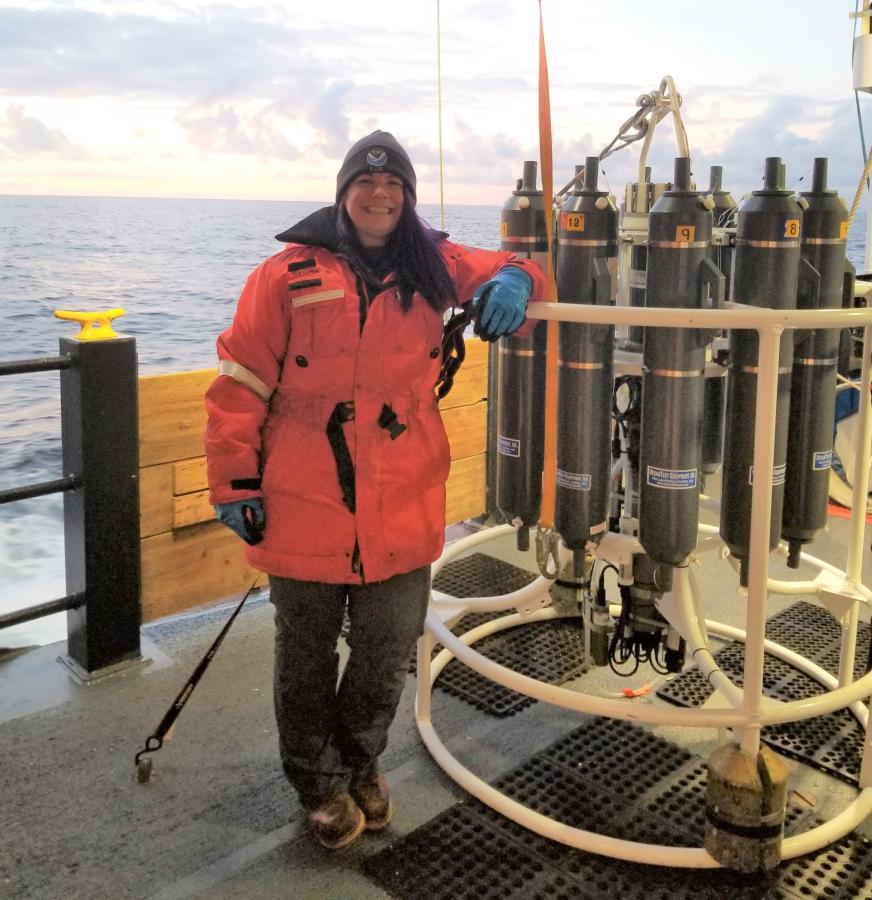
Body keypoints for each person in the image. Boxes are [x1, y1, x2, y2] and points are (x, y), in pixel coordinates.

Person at [204, 130, 543, 850]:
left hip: (403, 494)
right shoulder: (284, 274)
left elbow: (516, 265)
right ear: (344, 192)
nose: (379, 194)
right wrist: (233, 480)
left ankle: (360, 764)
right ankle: (318, 783)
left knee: (388, 648)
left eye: (393, 185)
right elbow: (239, 383)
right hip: (303, 498)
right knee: (304, 655)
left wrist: (515, 283)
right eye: (366, 182)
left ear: (408, 196)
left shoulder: (435, 263)